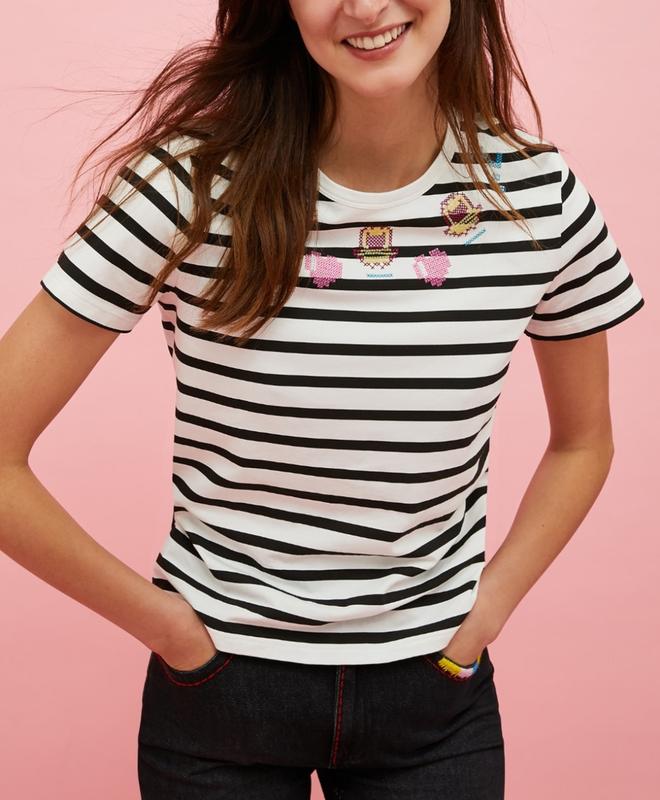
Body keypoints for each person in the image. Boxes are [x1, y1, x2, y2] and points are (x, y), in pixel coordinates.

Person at [0, 1, 645, 798]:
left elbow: (584, 442)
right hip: (219, 689)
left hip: (434, 692)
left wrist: (488, 612)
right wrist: (167, 628)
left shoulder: (537, 198)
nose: (365, 6)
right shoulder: (189, 184)